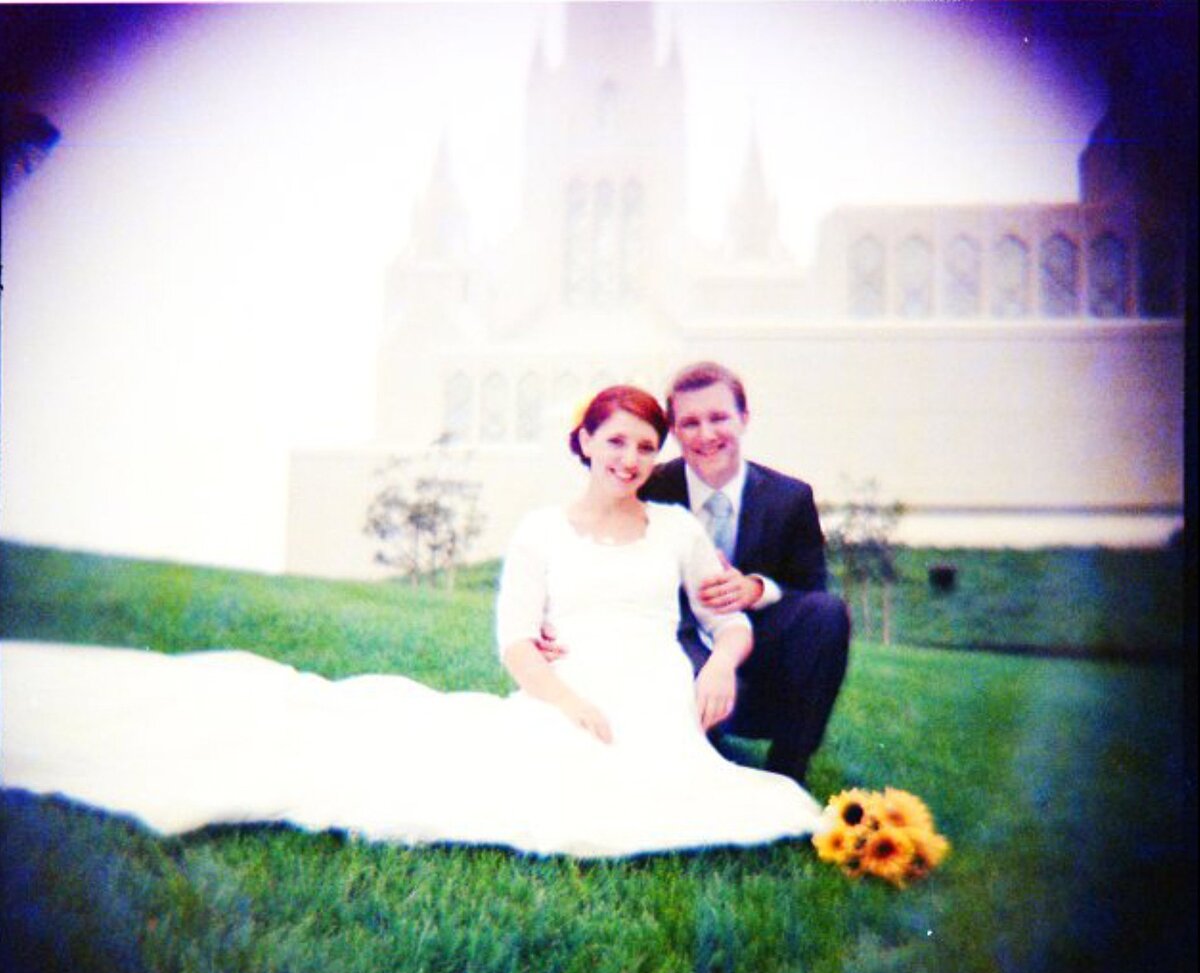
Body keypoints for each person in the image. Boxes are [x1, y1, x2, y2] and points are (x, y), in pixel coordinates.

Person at [0, 387, 826, 859]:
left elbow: (726, 619)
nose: (631, 459)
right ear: (584, 441)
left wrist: (722, 662)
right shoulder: (541, 530)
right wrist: (566, 701)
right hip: (571, 694)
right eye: (616, 441)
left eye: (646, 447)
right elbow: (515, 642)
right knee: (517, 785)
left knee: (718, 801)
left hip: (657, 694)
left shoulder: (675, 529)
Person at [640, 362, 850, 788]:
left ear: (744, 418)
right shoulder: (650, 489)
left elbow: (810, 587)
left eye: (718, 417)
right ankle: (696, 746)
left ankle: (789, 770)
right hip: (678, 637)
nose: (706, 434)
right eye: (690, 423)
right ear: (674, 431)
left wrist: (755, 589)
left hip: (759, 639)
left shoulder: (790, 497)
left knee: (827, 614)